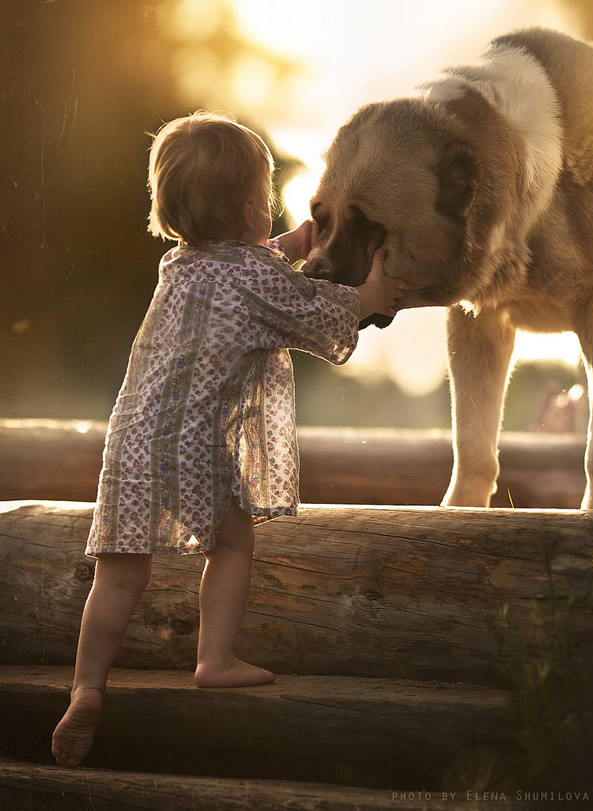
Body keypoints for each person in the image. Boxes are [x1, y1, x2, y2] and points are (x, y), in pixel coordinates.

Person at [51, 112, 405, 768]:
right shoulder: (252, 275)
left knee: (119, 574)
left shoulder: (177, 264)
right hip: (196, 444)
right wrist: (370, 294)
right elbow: (308, 311)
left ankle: (86, 686)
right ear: (251, 204)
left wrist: (292, 242)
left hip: (130, 441)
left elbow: (247, 264)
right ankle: (213, 659)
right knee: (233, 541)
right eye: (266, 196)